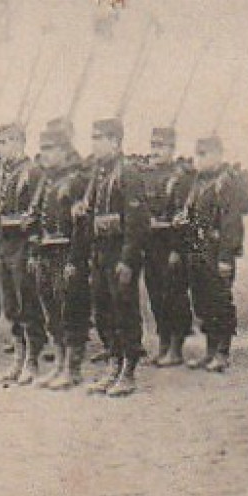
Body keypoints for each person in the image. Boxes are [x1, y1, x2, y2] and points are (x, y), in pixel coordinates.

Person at [78, 117, 146, 396]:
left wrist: (128, 260)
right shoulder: (99, 173)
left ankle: (128, 370)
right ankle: (113, 362)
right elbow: (91, 210)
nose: (94, 143)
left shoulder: (127, 172)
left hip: (120, 252)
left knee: (124, 310)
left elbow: (136, 220)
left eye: (99, 137)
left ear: (115, 142)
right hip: (101, 252)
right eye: (93, 137)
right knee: (102, 309)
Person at [0, 121, 46, 385]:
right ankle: (19, 357)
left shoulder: (32, 172)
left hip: (22, 244)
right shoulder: (3, 173)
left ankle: (32, 360)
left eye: (3, 142)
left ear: (18, 143)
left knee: (27, 303)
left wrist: (33, 250)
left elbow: (37, 216)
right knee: (10, 305)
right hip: (4, 244)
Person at [30, 118, 89, 390]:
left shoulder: (77, 181)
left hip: (66, 254)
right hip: (46, 252)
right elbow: (37, 219)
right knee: (51, 311)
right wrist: (34, 250)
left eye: (51, 148)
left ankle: (72, 368)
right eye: (42, 148)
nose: (45, 154)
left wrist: (75, 260)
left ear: (65, 151)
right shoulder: (46, 181)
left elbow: (81, 225)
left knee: (70, 311)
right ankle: (59, 362)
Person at [179, 133, 243, 372]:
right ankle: (209, 350)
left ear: (218, 155)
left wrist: (226, 257)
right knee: (203, 303)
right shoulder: (198, 183)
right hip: (198, 251)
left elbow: (232, 223)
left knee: (220, 302)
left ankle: (223, 353)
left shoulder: (226, 183)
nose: (199, 159)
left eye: (204, 154)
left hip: (217, 252)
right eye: (197, 154)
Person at [141, 124, 194, 367]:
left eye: (160, 146)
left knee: (175, 296)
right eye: (153, 145)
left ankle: (176, 348)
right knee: (156, 296)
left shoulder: (180, 178)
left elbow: (182, 218)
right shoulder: (147, 175)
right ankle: (162, 343)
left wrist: (177, 249)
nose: (155, 151)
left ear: (172, 148)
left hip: (171, 244)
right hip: (152, 245)